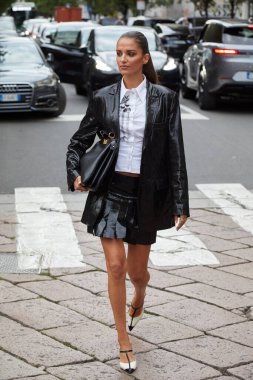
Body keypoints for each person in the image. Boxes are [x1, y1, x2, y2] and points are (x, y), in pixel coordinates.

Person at [66, 31, 189, 374]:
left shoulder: (165, 98)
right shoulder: (103, 97)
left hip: (146, 194)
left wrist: (181, 201)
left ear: (145, 58)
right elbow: (77, 142)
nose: (122, 59)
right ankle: (123, 340)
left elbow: (174, 151)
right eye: (119, 53)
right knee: (116, 267)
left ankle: (141, 295)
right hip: (110, 190)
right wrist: (75, 174)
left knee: (137, 273)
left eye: (130, 53)